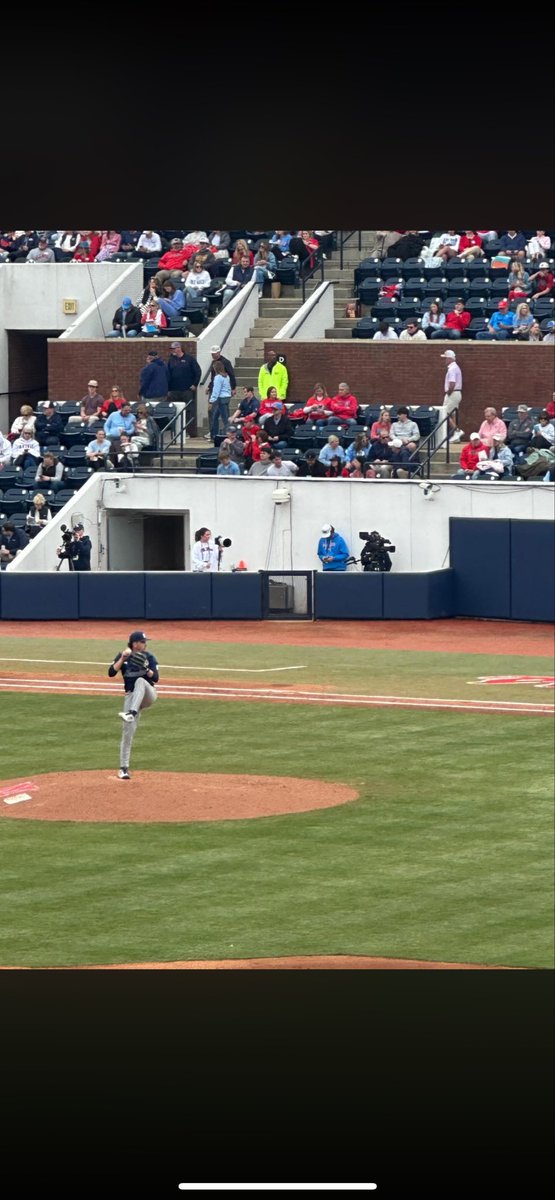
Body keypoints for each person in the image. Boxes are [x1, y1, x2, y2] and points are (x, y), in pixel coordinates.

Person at [108, 630, 159, 781]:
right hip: (131, 697)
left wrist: (147, 669)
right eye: (143, 642)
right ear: (135, 643)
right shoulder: (124, 656)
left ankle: (132, 713)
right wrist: (123, 658)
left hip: (148, 694)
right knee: (127, 733)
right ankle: (123, 769)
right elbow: (111, 672)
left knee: (140, 681)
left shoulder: (149, 657)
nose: (145, 644)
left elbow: (156, 678)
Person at [166, 341, 201, 432]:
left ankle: (190, 431)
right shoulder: (171, 360)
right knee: (174, 410)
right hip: (174, 390)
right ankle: (176, 431)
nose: (173, 351)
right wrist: (168, 388)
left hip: (187, 390)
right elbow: (168, 374)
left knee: (189, 411)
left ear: (179, 348)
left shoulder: (189, 359)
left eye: (174, 348)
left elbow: (198, 371)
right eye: (172, 349)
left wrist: (195, 384)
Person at [439, 349, 463, 442]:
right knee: (452, 414)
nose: (445, 360)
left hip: (453, 393)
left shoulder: (452, 369)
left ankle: (457, 431)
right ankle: (455, 436)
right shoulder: (455, 367)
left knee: (445, 413)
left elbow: (452, 383)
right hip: (456, 393)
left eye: (445, 358)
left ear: (449, 358)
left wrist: (448, 393)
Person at [209, 361, 233, 443]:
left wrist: (211, 401)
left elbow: (216, 390)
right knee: (215, 417)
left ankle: (230, 435)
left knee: (225, 419)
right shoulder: (226, 376)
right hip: (227, 398)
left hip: (221, 399)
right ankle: (214, 435)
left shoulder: (218, 377)